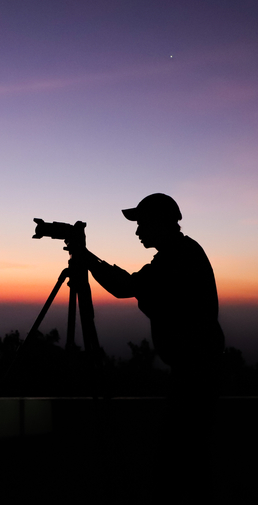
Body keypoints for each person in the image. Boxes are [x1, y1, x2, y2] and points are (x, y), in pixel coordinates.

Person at [79, 193, 224, 497]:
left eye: (142, 224)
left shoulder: (176, 259)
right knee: (190, 460)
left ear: (160, 223)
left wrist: (87, 259)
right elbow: (136, 286)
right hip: (198, 371)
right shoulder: (181, 253)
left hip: (193, 375)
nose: (137, 231)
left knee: (180, 463)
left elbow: (126, 287)